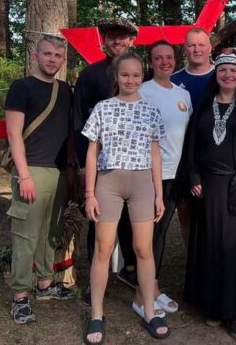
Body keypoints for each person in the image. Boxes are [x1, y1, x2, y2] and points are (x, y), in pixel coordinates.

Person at [82, 52, 170, 343]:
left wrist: (159, 194)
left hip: (142, 184)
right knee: (103, 249)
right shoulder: (103, 108)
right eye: (125, 75)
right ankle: (96, 315)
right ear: (116, 77)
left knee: (143, 249)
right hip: (109, 183)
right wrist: (90, 193)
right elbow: (92, 153)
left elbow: (155, 154)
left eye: (135, 75)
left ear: (142, 76)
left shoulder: (151, 110)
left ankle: (149, 310)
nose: (130, 80)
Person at [183, 54, 236, 339]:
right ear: (216, 74)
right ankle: (212, 305)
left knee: (233, 246)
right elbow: (192, 143)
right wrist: (194, 176)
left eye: (233, 70)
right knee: (209, 243)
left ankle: (234, 312)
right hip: (207, 186)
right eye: (223, 70)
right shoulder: (204, 104)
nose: (228, 75)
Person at [5, 35, 76, 325]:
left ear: (63, 60)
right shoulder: (21, 88)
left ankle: (45, 284)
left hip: (58, 172)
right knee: (25, 235)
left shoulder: (66, 90)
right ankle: (20, 296)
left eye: (58, 55)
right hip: (31, 169)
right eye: (47, 54)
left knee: (50, 231)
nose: (52, 59)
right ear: (36, 56)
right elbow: (13, 134)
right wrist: (24, 175)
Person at [74, 18, 140, 301]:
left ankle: (131, 269)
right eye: (112, 36)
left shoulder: (143, 74)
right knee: (99, 221)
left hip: (135, 164)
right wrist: (81, 165)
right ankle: (95, 278)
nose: (117, 41)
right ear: (104, 40)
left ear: (132, 41)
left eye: (123, 37)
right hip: (102, 164)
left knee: (132, 222)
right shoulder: (90, 75)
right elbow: (79, 120)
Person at [139, 41, 192, 315]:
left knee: (160, 232)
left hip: (176, 174)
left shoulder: (183, 94)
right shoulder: (142, 91)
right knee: (152, 234)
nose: (164, 62)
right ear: (151, 62)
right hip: (151, 174)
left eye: (169, 57)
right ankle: (149, 290)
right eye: (158, 58)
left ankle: (153, 287)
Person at [171, 27, 215, 246]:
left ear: (210, 48)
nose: (197, 49)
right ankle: (191, 257)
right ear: (185, 49)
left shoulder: (224, 76)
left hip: (214, 157)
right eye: (191, 45)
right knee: (185, 209)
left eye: (201, 45)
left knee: (212, 212)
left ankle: (211, 258)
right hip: (182, 157)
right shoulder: (172, 80)